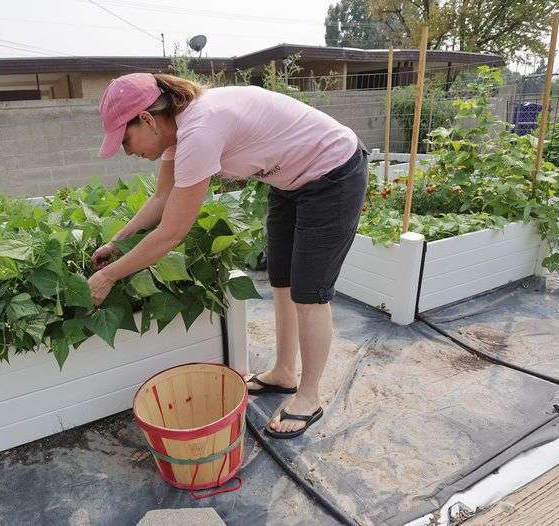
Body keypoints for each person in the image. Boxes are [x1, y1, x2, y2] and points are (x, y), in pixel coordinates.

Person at [88, 72, 368, 439]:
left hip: (333, 172)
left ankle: (309, 397)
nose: (128, 151)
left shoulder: (200, 130)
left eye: (126, 140)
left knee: (310, 293)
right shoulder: (177, 132)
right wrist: (117, 241)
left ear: (146, 119)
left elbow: (171, 232)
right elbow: (161, 199)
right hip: (289, 181)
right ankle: (284, 372)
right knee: (282, 279)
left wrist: (109, 275)